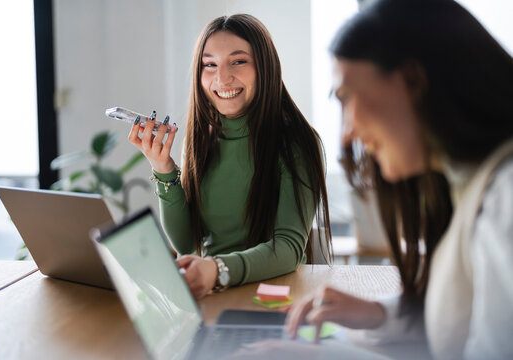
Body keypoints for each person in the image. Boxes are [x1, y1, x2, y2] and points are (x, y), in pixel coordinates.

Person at [282, 0, 513, 359]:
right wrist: (377, 314)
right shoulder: (468, 184)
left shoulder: (506, 199)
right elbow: (465, 322)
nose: (346, 134)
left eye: (346, 97)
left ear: (413, 81)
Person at [128, 14, 331, 299]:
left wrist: (217, 268)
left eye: (238, 61)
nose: (222, 78)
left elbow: (288, 248)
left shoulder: (295, 142)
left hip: (275, 298)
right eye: (209, 65)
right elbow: (186, 243)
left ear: (265, 67)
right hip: (214, 292)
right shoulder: (200, 140)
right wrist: (163, 169)